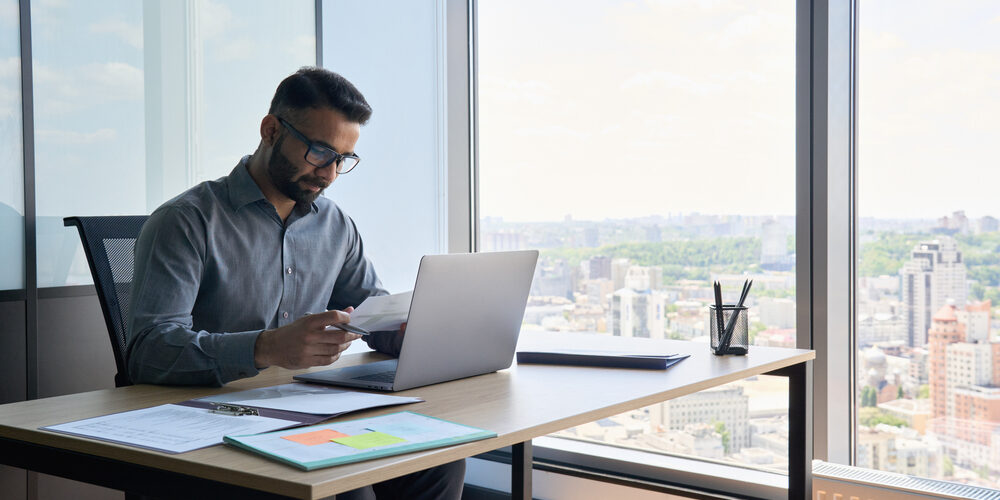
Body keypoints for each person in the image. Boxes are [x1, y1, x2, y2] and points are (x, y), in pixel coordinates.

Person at [126, 67, 464, 500]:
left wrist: (414, 332)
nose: (329, 173)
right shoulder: (186, 221)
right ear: (271, 130)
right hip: (218, 420)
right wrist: (266, 348)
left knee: (439, 461)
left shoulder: (334, 225)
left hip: (305, 412)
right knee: (348, 487)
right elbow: (149, 352)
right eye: (320, 151)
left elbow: (373, 314)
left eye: (343, 159)